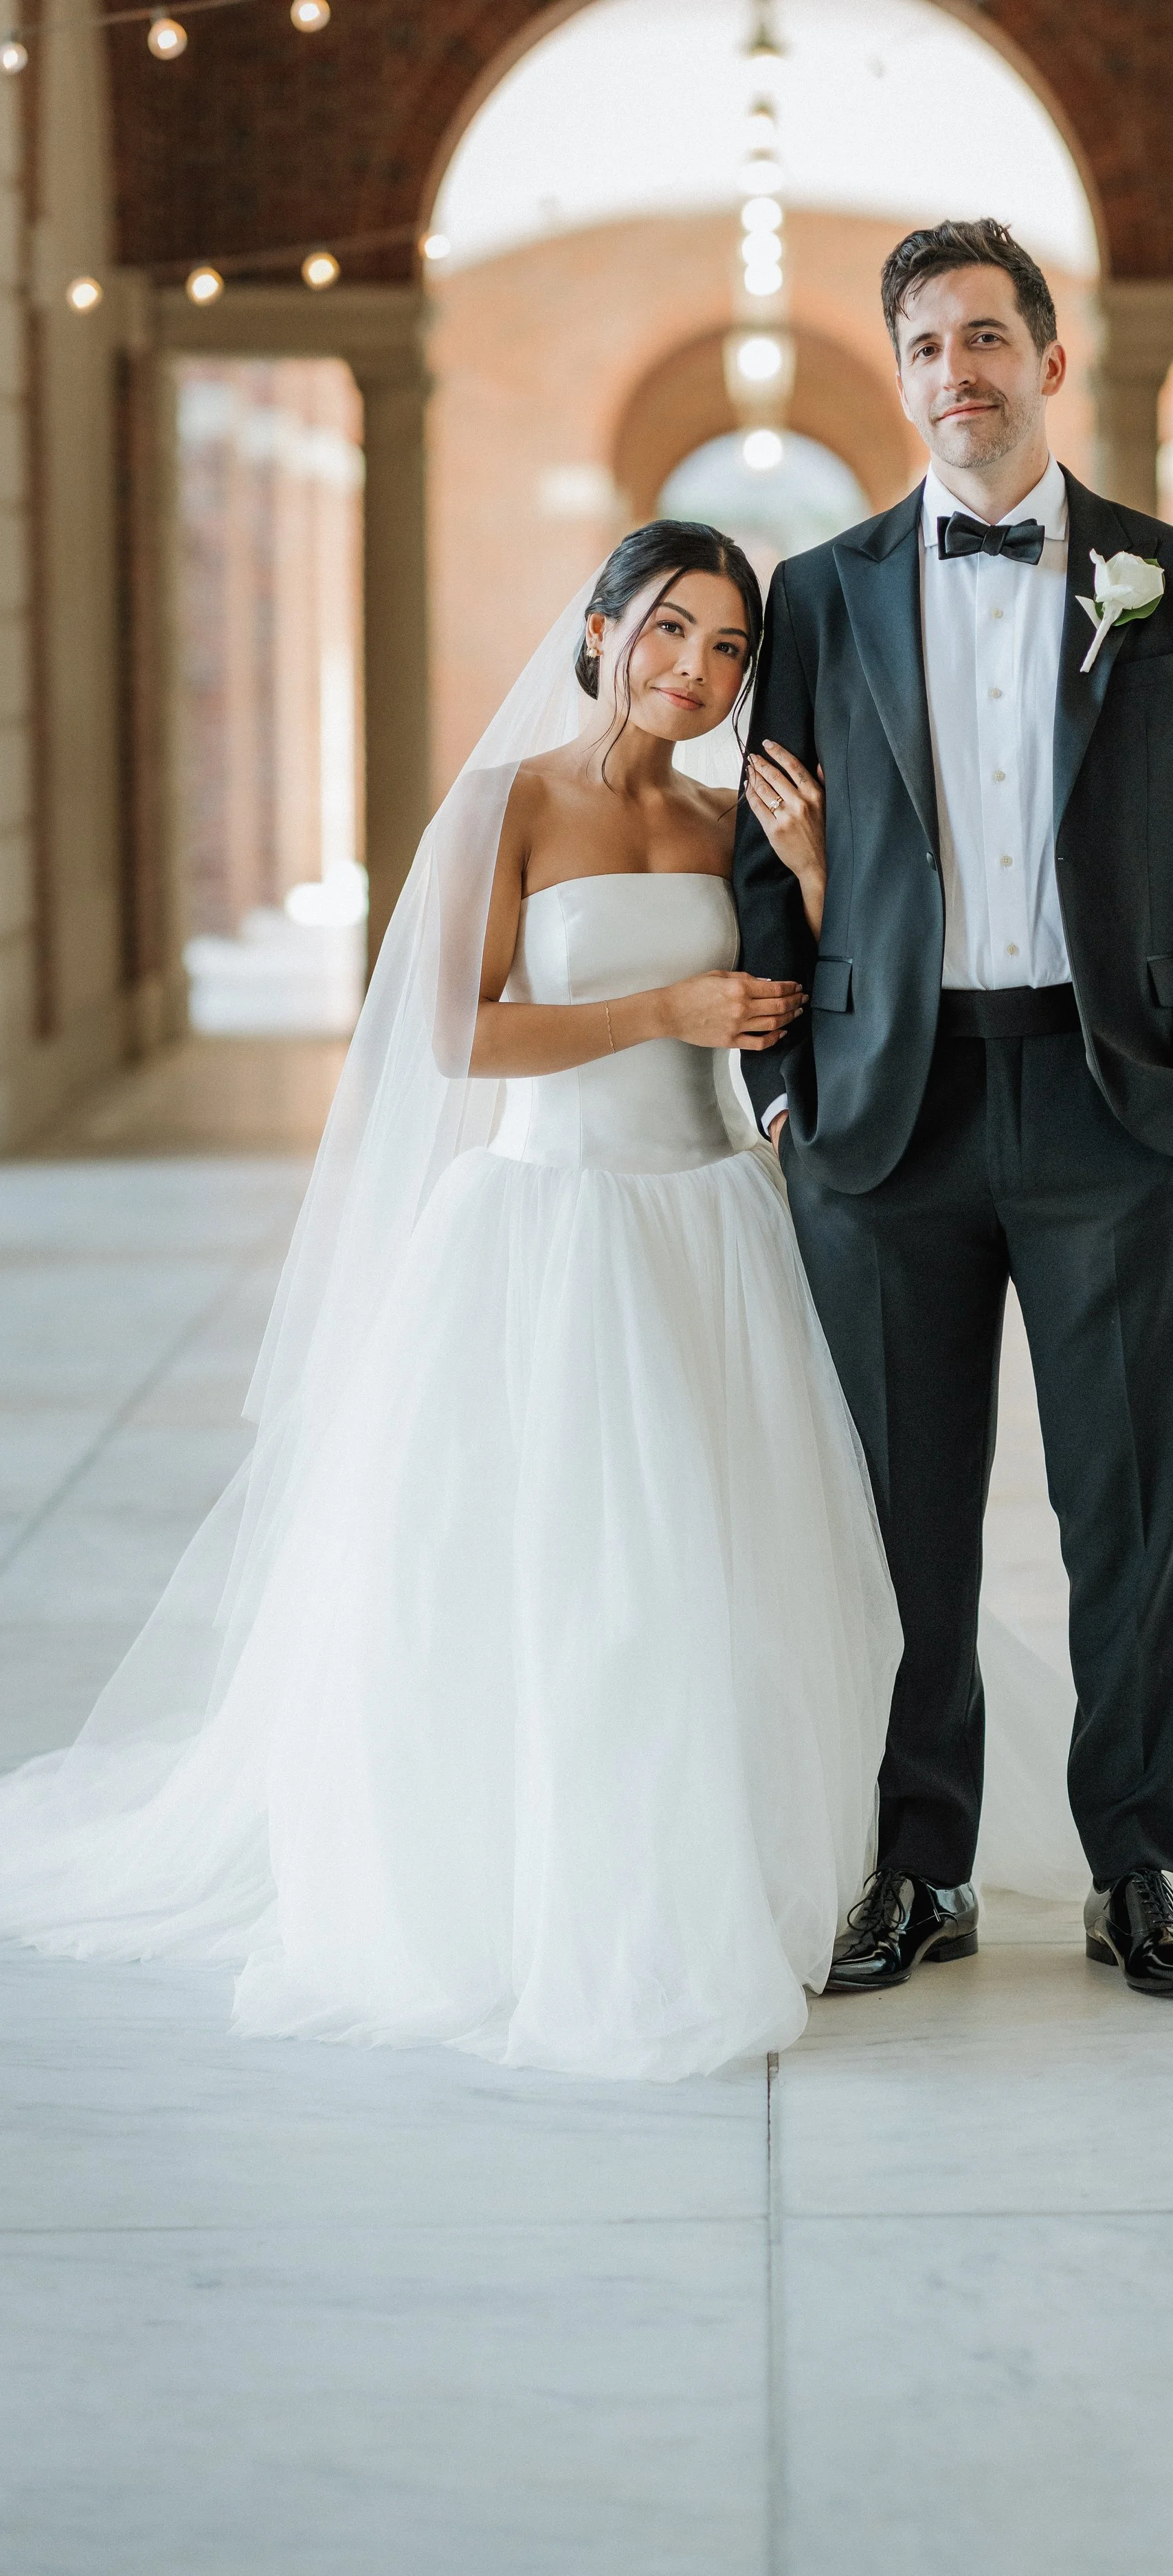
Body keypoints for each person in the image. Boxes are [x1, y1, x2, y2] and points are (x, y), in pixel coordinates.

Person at [0, 523, 902, 2081]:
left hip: (708, 1225)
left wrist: (813, 881)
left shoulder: (721, 822)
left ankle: (734, 1848)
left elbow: (788, 1016)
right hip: (546, 1224)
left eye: (730, 650)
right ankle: (542, 1870)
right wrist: (656, 1009)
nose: (696, 670)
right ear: (602, 627)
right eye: (670, 631)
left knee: (717, 1562)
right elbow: (459, 1042)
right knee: (559, 1571)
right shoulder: (508, 807)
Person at [733, 219, 1173, 2000]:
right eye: (922, 345)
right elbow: (764, 855)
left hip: (1107, 1104)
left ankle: (1136, 1865)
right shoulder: (818, 595)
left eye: (984, 338)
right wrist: (778, 1089)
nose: (953, 374)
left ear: (1048, 363)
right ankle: (921, 1866)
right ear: (896, 373)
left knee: (1127, 1513)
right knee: (901, 1520)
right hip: (881, 1121)